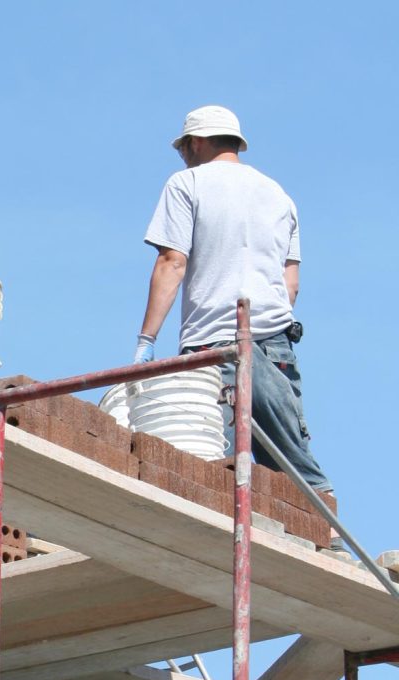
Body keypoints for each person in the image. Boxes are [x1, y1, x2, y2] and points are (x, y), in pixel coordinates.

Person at [133, 104, 333, 495]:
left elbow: (172, 261)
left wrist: (146, 341)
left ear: (195, 142)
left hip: (213, 345)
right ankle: (330, 543)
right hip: (275, 343)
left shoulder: (186, 183)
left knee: (211, 464)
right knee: (291, 464)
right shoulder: (279, 195)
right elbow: (290, 284)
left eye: (183, 149)